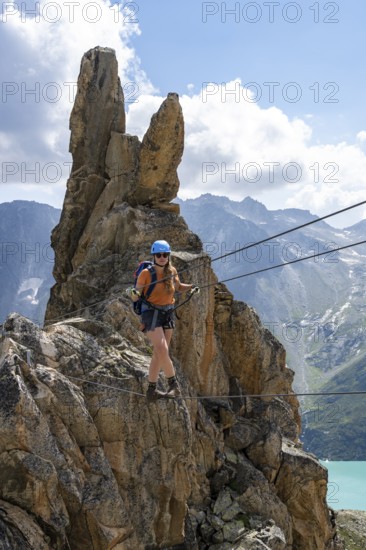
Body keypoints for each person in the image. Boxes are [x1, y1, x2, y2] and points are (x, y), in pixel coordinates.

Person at [127, 240, 199, 402]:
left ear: (168, 256)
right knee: (162, 348)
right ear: (154, 256)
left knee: (159, 354)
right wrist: (133, 293)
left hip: (167, 313)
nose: (162, 257)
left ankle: (151, 390)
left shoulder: (172, 271)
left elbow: (178, 286)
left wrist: (191, 287)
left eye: (165, 255)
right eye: (158, 255)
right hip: (151, 313)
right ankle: (173, 385)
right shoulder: (146, 273)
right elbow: (135, 294)